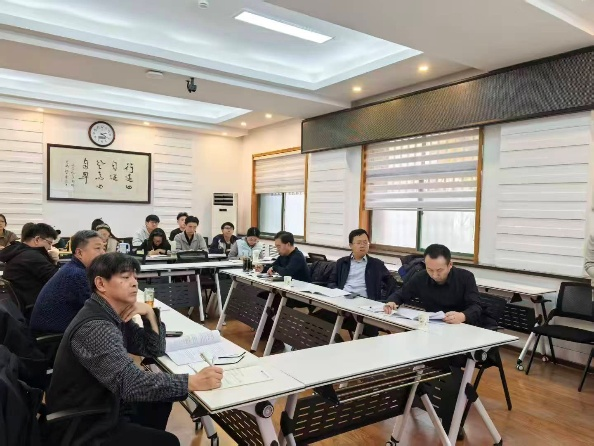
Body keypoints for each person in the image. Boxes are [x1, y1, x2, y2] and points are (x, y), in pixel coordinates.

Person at [45, 253, 223, 446]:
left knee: (161, 401)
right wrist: (191, 382)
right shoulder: (96, 326)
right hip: (84, 422)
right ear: (101, 284)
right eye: (125, 277)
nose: (134, 283)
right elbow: (129, 383)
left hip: (106, 402)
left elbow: (152, 349)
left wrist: (149, 313)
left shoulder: (112, 312)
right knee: (168, 442)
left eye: (135, 277)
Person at [313, 229, 398, 338]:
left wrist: (390, 300)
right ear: (351, 245)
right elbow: (332, 282)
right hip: (343, 303)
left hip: (365, 307)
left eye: (365, 242)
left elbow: (392, 283)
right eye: (358, 243)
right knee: (315, 320)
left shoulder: (376, 264)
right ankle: (337, 343)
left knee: (368, 332)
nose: (362, 245)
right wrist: (338, 294)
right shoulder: (342, 262)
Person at [383, 244, 484, 326]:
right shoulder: (421, 277)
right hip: (433, 325)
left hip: (461, 326)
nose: (434, 275)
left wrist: (462, 316)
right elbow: (401, 293)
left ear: (450, 265)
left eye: (439, 270)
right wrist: (392, 302)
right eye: (430, 270)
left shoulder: (465, 277)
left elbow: (476, 306)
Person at [29, 230, 106, 333]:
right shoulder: (77, 274)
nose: (103, 253)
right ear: (79, 253)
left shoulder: (74, 268)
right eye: (97, 248)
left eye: (103, 248)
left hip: (58, 330)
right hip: (55, 336)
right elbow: (97, 310)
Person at [0, 223, 59, 309]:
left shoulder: (17, 252)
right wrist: (54, 260)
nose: (50, 248)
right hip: (36, 306)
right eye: (49, 243)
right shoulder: (33, 256)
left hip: (22, 305)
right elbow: (58, 280)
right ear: (37, 239)